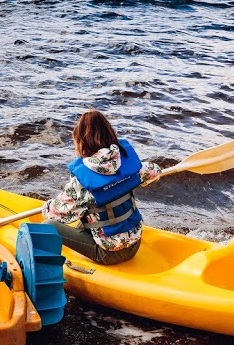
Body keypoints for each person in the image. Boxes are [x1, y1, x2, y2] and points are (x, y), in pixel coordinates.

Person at [42, 110, 162, 265]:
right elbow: (155, 171)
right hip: (135, 242)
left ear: (82, 142)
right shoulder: (130, 165)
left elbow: (55, 214)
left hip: (108, 253)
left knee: (48, 226)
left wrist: (46, 206)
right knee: (88, 210)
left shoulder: (82, 182)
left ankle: (48, 266)